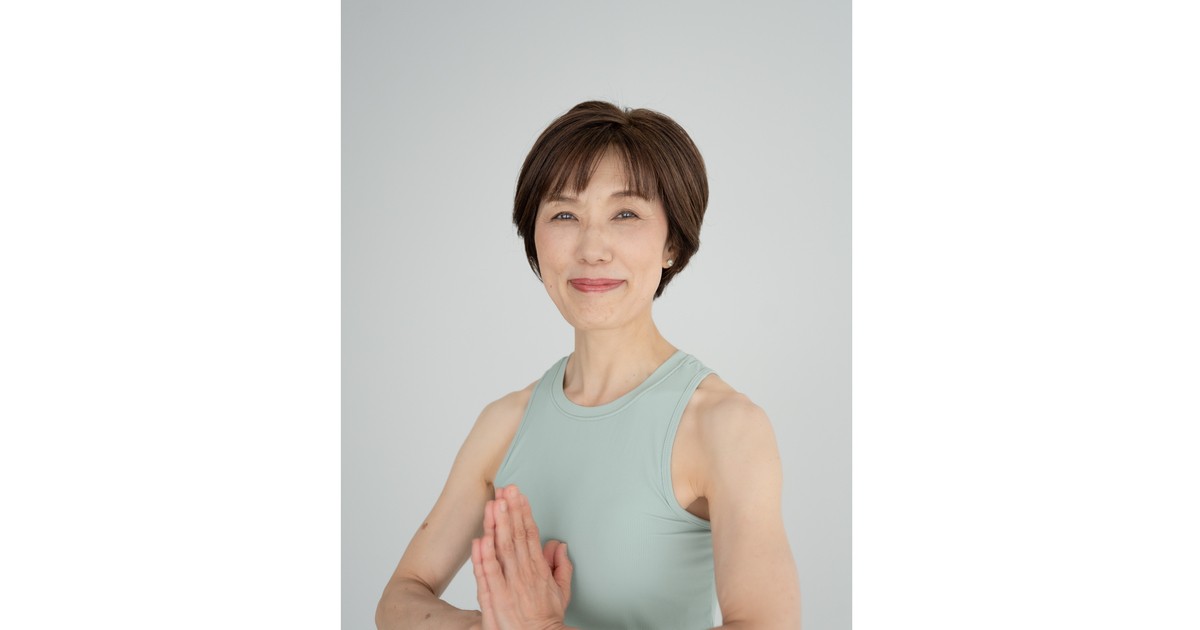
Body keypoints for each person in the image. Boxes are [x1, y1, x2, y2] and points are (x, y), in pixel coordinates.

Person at [376, 101, 802, 629]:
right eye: (564, 215)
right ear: (535, 240)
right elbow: (398, 600)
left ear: (672, 242)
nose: (592, 248)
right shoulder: (503, 423)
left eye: (625, 215)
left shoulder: (725, 425)